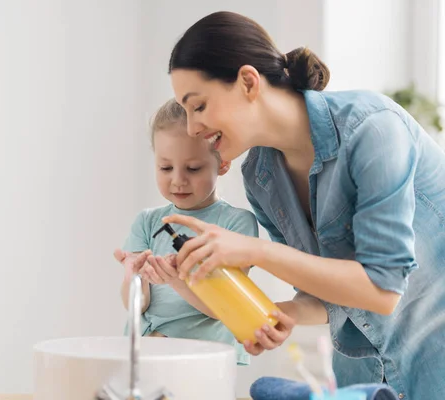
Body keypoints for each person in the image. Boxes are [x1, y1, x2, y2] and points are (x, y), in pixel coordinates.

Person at [162, 10, 445, 399]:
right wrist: (286, 314)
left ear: (247, 82)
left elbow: (383, 289)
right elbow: (326, 295)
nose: (192, 127)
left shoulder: (372, 129)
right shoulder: (261, 177)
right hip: (360, 379)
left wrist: (257, 250)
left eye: (198, 106)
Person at [114, 98, 258, 366]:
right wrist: (133, 276)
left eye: (193, 168)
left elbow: (223, 310)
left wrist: (177, 280)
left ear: (223, 163)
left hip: (204, 362)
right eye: (165, 168)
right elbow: (138, 305)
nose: (178, 180)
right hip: (146, 354)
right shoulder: (146, 222)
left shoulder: (236, 225)